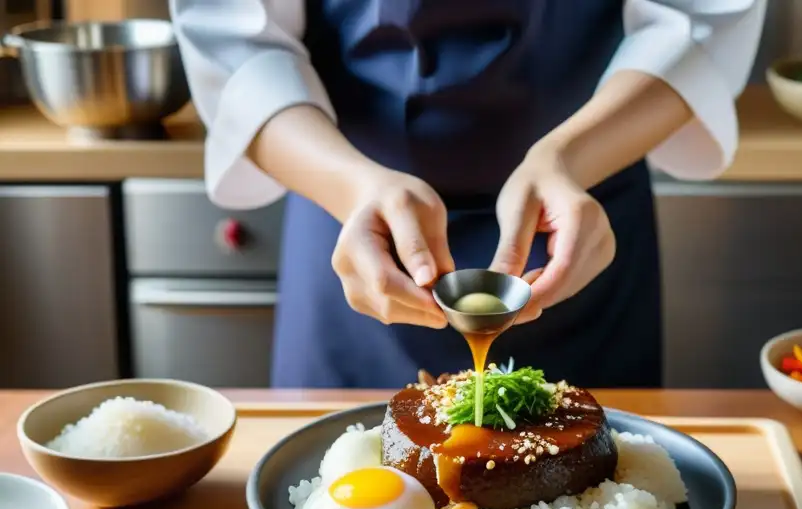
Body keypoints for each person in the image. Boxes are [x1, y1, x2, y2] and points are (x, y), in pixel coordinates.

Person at [170, 0, 766, 389]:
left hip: (578, 218)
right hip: (355, 222)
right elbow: (237, 41)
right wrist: (353, 187)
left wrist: (568, 158)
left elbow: (699, 20)